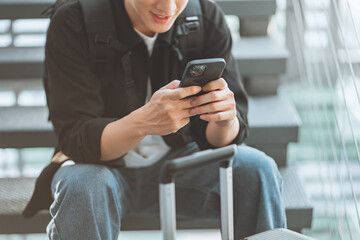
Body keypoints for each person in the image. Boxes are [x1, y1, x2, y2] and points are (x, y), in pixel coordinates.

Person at [23, 0, 286, 239]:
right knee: (81, 187)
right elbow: (76, 139)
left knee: (258, 169)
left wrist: (224, 120)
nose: (168, 7)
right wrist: (143, 122)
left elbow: (223, 140)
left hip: (183, 163)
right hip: (101, 167)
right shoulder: (75, 20)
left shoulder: (204, 17)